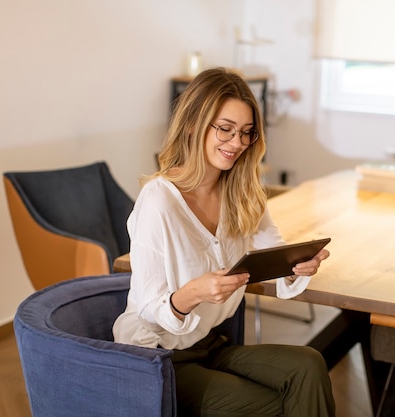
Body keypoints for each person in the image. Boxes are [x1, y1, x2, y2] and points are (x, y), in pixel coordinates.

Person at [113, 67, 335, 416]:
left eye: (246, 133)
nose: (237, 144)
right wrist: (194, 294)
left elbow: (272, 256)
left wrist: (296, 268)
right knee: (275, 405)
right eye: (225, 129)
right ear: (192, 125)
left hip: (210, 344)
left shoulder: (242, 193)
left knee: (308, 364)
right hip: (157, 356)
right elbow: (149, 308)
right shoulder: (159, 200)